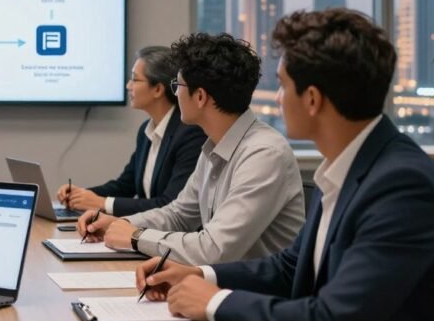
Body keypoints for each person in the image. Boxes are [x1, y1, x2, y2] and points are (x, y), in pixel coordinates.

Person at [133, 10, 434, 321]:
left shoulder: (402, 185)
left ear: (312, 99)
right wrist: (201, 275)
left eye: (282, 85)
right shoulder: (346, 166)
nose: (276, 99)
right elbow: (291, 268)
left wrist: (215, 302)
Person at [79, 33, 305, 265]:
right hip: (222, 285)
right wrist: (124, 224)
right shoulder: (214, 145)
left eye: (177, 85)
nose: (175, 93)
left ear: (199, 97)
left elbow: (214, 249)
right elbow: (178, 215)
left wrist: (136, 237)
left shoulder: (264, 154)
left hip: (258, 296)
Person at [56, 46, 206, 216]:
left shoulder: (190, 134)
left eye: (135, 79)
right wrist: (80, 195)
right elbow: (124, 186)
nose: (128, 86)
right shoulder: (146, 130)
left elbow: (170, 204)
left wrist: (102, 203)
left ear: (158, 89)